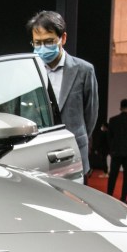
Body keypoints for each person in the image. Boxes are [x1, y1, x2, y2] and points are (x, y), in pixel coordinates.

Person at [26, 10, 99, 179]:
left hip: (73, 154)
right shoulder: (27, 71)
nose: (42, 48)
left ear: (63, 38)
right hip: (34, 156)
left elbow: (91, 114)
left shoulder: (84, 70)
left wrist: (76, 138)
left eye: (49, 41)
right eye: (37, 43)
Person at [105, 98, 127, 206]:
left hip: (116, 152)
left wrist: (112, 148)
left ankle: (109, 195)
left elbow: (109, 136)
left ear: (120, 107)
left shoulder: (113, 120)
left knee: (113, 175)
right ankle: (123, 197)